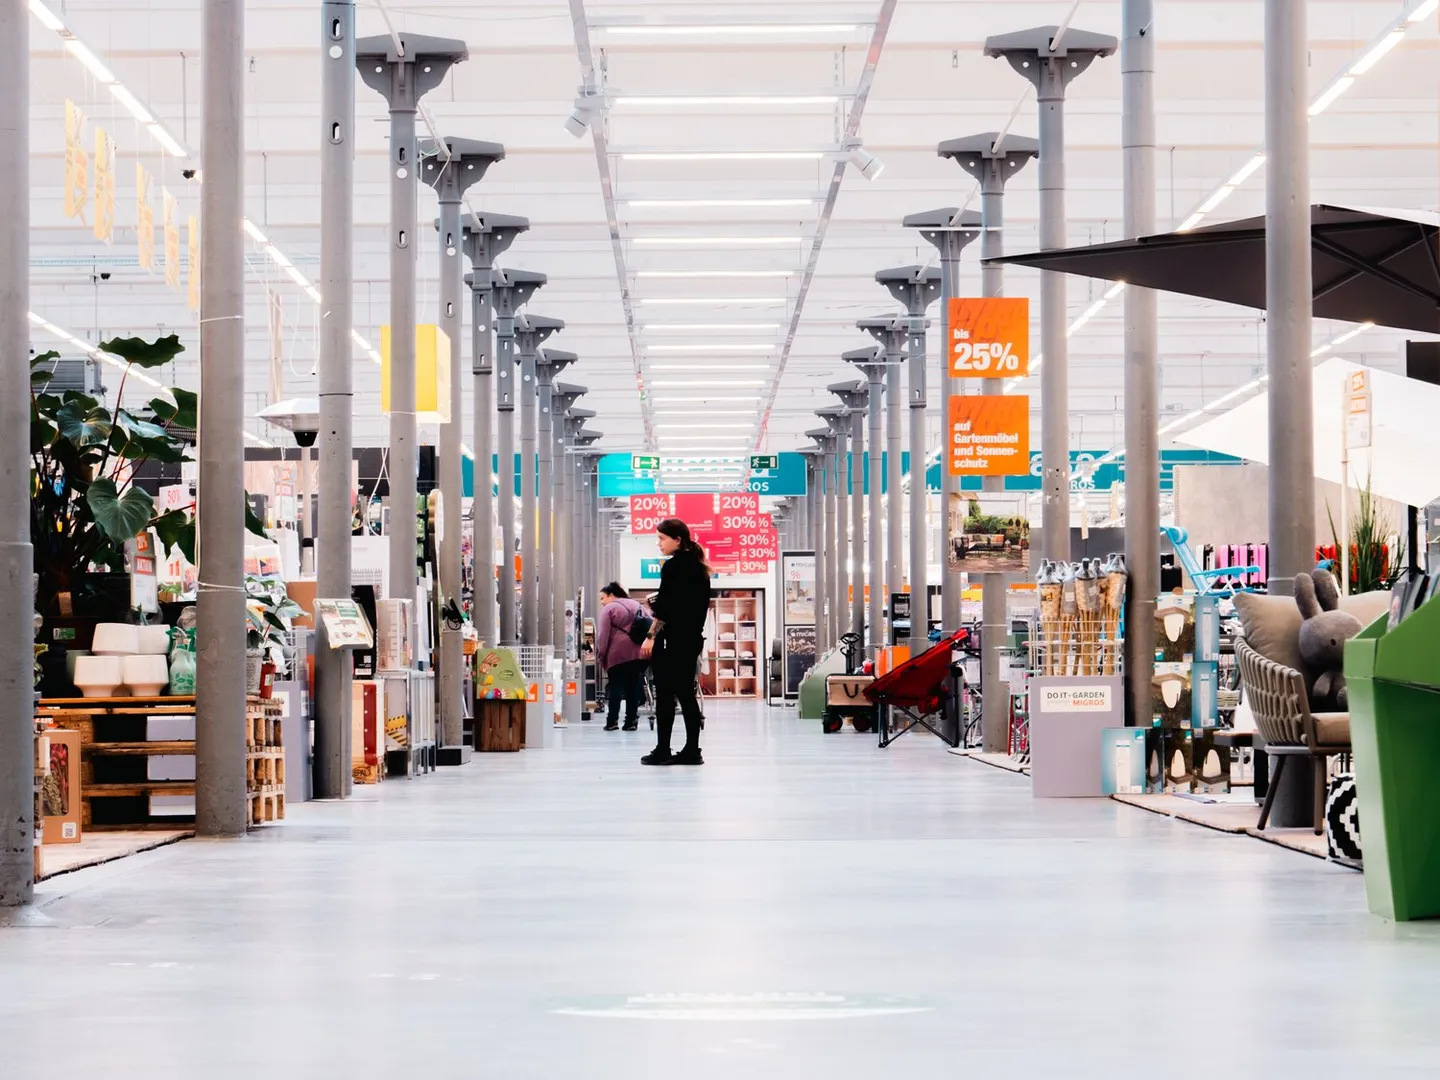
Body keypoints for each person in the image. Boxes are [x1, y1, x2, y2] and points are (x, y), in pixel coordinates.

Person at [639, 518, 713, 766]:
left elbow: (666, 611)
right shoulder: (700, 569)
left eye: (661, 538)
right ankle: (692, 749)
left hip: (671, 641)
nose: (658, 543)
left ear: (677, 539)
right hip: (691, 640)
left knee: (665, 696)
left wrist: (650, 637)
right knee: (686, 694)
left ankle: (662, 749)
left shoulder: (673, 568)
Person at [595, 583, 647, 732]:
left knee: (615, 687)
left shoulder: (609, 609)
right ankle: (631, 721)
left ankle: (612, 722)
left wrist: (601, 655)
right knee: (632, 688)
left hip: (616, 654)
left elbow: (603, 636)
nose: (602, 602)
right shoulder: (638, 606)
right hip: (637, 654)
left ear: (611, 595)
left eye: (603, 598)